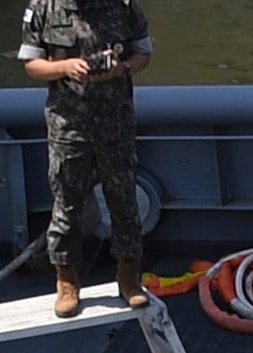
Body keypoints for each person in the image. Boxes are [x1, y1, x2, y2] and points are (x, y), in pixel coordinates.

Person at [18, 0, 153, 317]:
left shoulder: (123, 6)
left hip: (114, 122)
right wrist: (65, 67)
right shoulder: (43, 8)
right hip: (68, 124)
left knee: (123, 200)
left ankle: (129, 278)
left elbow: (142, 54)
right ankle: (67, 282)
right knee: (66, 203)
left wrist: (121, 69)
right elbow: (31, 65)